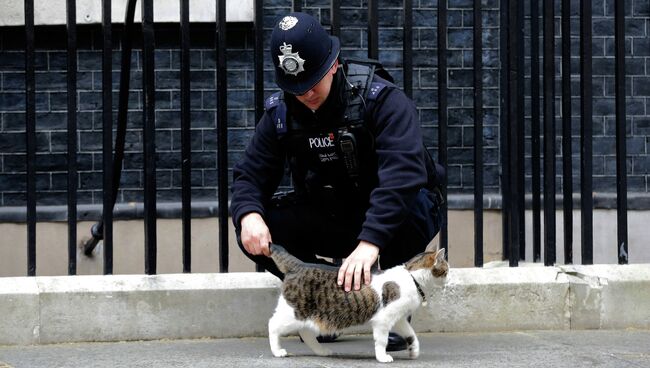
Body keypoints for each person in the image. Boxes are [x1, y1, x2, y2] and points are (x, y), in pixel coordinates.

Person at [230, 12, 445, 350]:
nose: (305, 94)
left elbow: (403, 173)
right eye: (295, 87)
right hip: (335, 212)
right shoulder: (281, 114)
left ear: (333, 65)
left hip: (391, 218)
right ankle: (327, 303)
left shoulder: (381, 100)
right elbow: (249, 175)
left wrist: (371, 241)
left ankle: (387, 305)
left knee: (414, 204)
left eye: (312, 82)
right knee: (258, 226)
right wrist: (248, 214)